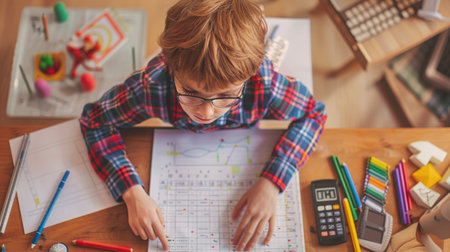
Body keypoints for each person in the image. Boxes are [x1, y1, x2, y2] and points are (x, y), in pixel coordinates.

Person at [79, 0, 327, 251]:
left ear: (251, 72)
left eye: (226, 95)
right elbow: (94, 121)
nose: (207, 112)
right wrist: (131, 192)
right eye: (190, 92)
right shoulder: (150, 85)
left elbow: (314, 114)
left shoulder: (265, 84)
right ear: (169, 64)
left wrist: (272, 183)